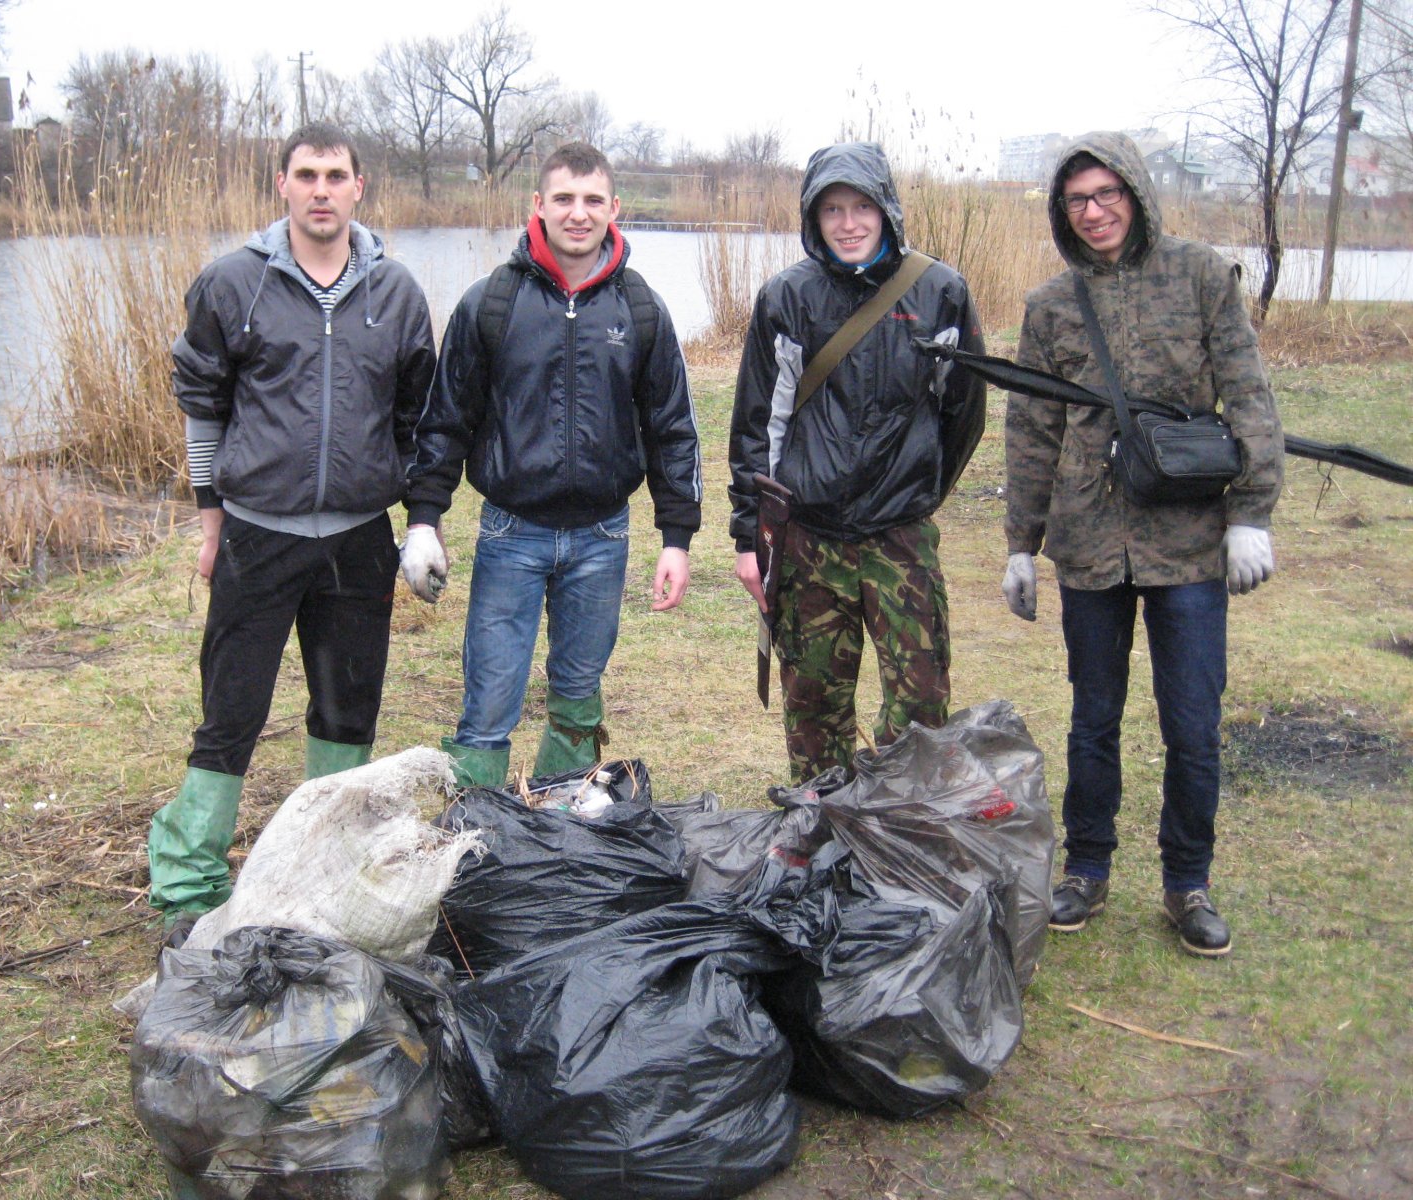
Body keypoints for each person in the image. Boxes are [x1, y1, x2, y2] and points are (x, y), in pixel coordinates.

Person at [147, 122, 436, 930]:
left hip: (358, 538)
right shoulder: (232, 284)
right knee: (231, 709)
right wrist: (211, 522)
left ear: (358, 188)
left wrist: (422, 523)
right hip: (257, 533)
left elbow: (418, 422)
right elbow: (203, 408)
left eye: (335, 176)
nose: (321, 190)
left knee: (347, 710)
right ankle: (189, 880)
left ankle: (328, 865)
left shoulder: (398, 294)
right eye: (306, 174)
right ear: (282, 185)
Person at [1001, 132, 1284, 958]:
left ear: (1135, 192)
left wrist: (1251, 514)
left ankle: (1187, 882)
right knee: (1093, 718)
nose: (1093, 212)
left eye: (1106, 194)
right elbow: (1032, 428)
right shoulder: (1051, 305)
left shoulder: (1201, 275)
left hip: (1189, 541)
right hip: (1090, 542)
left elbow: (1248, 393)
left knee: (1192, 724)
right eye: (1077, 200)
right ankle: (1086, 869)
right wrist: (1021, 542)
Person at [402, 141, 701, 788]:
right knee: (488, 701)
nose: (578, 213)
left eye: (593, 200)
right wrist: (423, 520)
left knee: (578, 695)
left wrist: (676, 538)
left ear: (614, 208)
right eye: (564, 198)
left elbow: (672, 429)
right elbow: (445, 418)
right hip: (510, 534)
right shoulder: (491, 303)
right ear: (538, 204)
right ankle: (475, 830)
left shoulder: (641, 309)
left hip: (603, 537)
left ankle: (560, 824)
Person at [728, 141, 986, 782]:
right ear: (813, 217)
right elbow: (758, 426)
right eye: (832, 209)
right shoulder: (786, 298)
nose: (848, 224)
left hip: (900, 537)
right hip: (809, 537)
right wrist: (750, 536)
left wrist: (920, 488)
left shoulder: (941, 292)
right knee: (813, 703)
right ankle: (821, 820)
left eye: (862, 207)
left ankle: (897, 816)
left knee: (921, 700)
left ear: (886, 209)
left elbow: (963, 414)